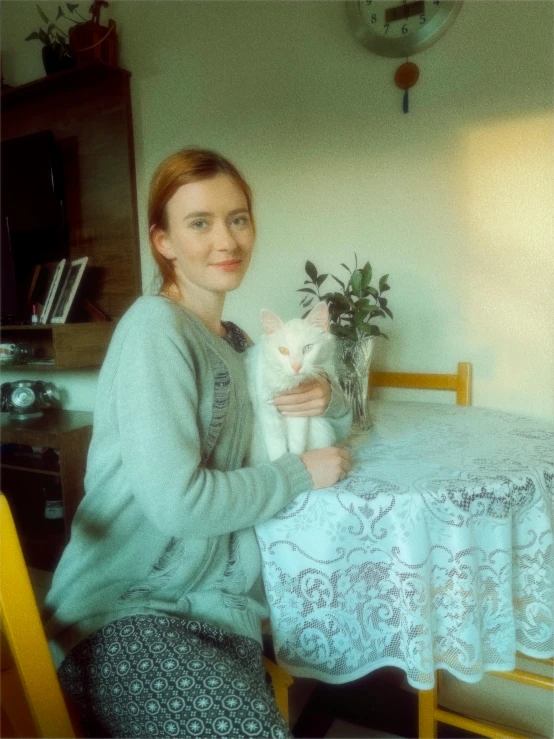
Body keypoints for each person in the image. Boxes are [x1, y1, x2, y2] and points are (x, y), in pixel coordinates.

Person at [45, 147, 352, 738]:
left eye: (238, 218)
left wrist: (326, 400)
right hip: (125, 611)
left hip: (219, 611)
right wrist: (295, 474)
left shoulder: (238, 343)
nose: (226, 240)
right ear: (163, 242)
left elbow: (323, 428)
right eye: (200, 223)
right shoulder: (155, 332)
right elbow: (178, 505)